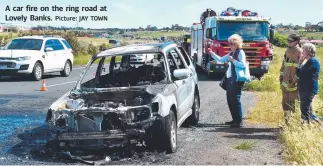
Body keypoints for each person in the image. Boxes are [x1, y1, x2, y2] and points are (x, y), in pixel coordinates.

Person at [207, 34, 248, 127]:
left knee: (235, 99)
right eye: (229, 43)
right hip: (230, 78)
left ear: (237, 44)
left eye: (232, 43)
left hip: (236, 79)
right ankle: (234, 119)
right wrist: (211, 53)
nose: (230, 45)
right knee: (230, 99)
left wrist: (233, 60)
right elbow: (220, 59)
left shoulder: (240, 52)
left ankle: (239, 121)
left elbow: (243, 65)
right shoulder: (232, 53)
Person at [279, 33, 302, 123]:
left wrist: (293, 81)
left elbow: (300, 70)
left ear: (296, 42)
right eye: (287, 40)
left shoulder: (300, 52)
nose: (288, 42)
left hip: (294, 83)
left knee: (293, 103)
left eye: (290, 41)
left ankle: (293, 123)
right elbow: (283, 65)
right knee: (285, 103)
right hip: (284, 82)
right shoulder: (287, 51)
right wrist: (281, 76)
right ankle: (286, 122)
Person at [297, 42, 321, 123]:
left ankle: (306, 127)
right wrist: (300, 62)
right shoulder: (307, 62)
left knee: (304, 109)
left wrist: (300, 63)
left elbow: (302, 73)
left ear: (308, 51)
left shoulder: (314, 62)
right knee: (308, 109)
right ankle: (317, 123)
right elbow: (298, 72)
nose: (302, 52)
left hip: (309, 89)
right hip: (304, 89)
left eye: (304, 50)